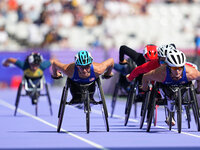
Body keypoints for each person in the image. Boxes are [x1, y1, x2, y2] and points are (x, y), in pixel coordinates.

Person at [142, 48, 200, 126]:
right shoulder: (160, 73)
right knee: (164, 91)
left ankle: (172, 113)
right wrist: (145, 88)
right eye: (174, 68)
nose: (177, 71)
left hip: (183, 85)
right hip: (165, 86)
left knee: (183, 90)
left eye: (180, 68)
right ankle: (170, 114)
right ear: (169, 67)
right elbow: (145, 77)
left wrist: (198, 89)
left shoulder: (191, 73)